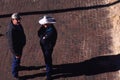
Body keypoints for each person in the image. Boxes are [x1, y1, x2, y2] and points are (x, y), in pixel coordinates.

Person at [6, 13, 26, 78]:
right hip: (16, 49)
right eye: (17, 20)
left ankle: (18, 66)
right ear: (12, 19)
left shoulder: (17, 25)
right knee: (16, 60)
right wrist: (16, 53)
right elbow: (11, 44)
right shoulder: (11, 30)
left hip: (19, 46)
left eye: (19, 19)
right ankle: (15, 74)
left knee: (17, 59)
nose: (19, 21)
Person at [38, 15, 57, 80]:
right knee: (47, 58)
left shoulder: (51, 31)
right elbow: (39, 33)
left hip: (48, 47)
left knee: (47, 59)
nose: (43, 25)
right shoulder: (45, 27)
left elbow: (43, 39)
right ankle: (49, 68)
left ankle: (49, 75)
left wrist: (42, 37)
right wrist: (42, 36)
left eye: (45, 24)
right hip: (45, 46)